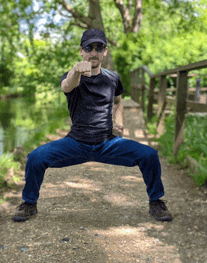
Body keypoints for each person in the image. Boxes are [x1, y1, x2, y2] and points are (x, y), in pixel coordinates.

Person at [12, 28, 172, 222]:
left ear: (105, 51)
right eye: (89, 47)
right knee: (35, 158)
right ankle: (29, 204)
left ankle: (156, 202)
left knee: (150, 155)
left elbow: (118, 101)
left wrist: (118, 121)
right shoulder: (72, 76)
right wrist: (76, 70)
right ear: (81, 51)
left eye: (99, 47)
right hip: (76, 144)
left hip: (107, 144)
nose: (93, 52)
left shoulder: (112, 78)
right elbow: (66, 86)